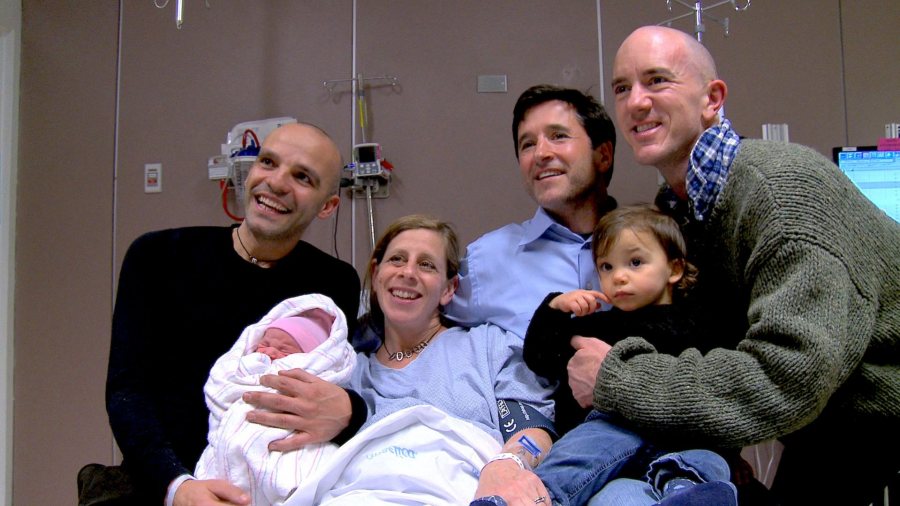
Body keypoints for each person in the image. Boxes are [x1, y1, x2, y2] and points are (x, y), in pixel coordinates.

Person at [564, 25, 900, 505]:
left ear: (712, 99)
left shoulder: (784, 193)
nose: (635, 102)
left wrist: (616, 380)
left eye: (656, 81)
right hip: (833, 430)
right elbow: (713, 347)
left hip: (877, 429)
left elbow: (788, 377)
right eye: (622, 87)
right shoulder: (678, 213)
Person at [106, 122, 363, 506]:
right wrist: (179, 488)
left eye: (302, 177)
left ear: (327, 206)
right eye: (268, 162)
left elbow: (336, 382)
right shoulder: (158, 257)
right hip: (165, 483)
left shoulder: (332, 284)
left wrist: (349, 412)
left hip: (274, 487)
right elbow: (127, 391)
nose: (275, 183)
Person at [295, 214, 557, 506]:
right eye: (396, 259)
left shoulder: (488, 347)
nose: (408, 272)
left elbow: (532, 430)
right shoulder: (346, 369)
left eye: (426, 265)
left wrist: (509, 463)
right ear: (376, 272)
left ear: (449, 289)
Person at [521, 205, 736, 505]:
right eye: (606, 267)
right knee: (577, 450)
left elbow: (718, 392)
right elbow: (539, 357)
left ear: (674, 269)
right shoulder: (597, 326)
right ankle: (535, 497)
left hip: (678, 445)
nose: (619, 276)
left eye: (635, 262)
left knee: (710, 459)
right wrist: (555, 308)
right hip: (606, 445)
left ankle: (684, 491)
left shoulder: (700, 324)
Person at [445, 84, 617, 340]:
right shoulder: (489, 260)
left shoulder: (655, 247)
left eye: (558, 136)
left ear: (603, 155)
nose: (540, 154)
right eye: (527, 144)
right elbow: (412, 325)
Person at [194, 293, 356, 506]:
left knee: (308, 470)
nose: (269, 351)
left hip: (289, 447)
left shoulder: (316, 376)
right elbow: (221, 389)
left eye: (284, 349)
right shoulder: (247, 364)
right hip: (226, 447)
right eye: (265, 343)